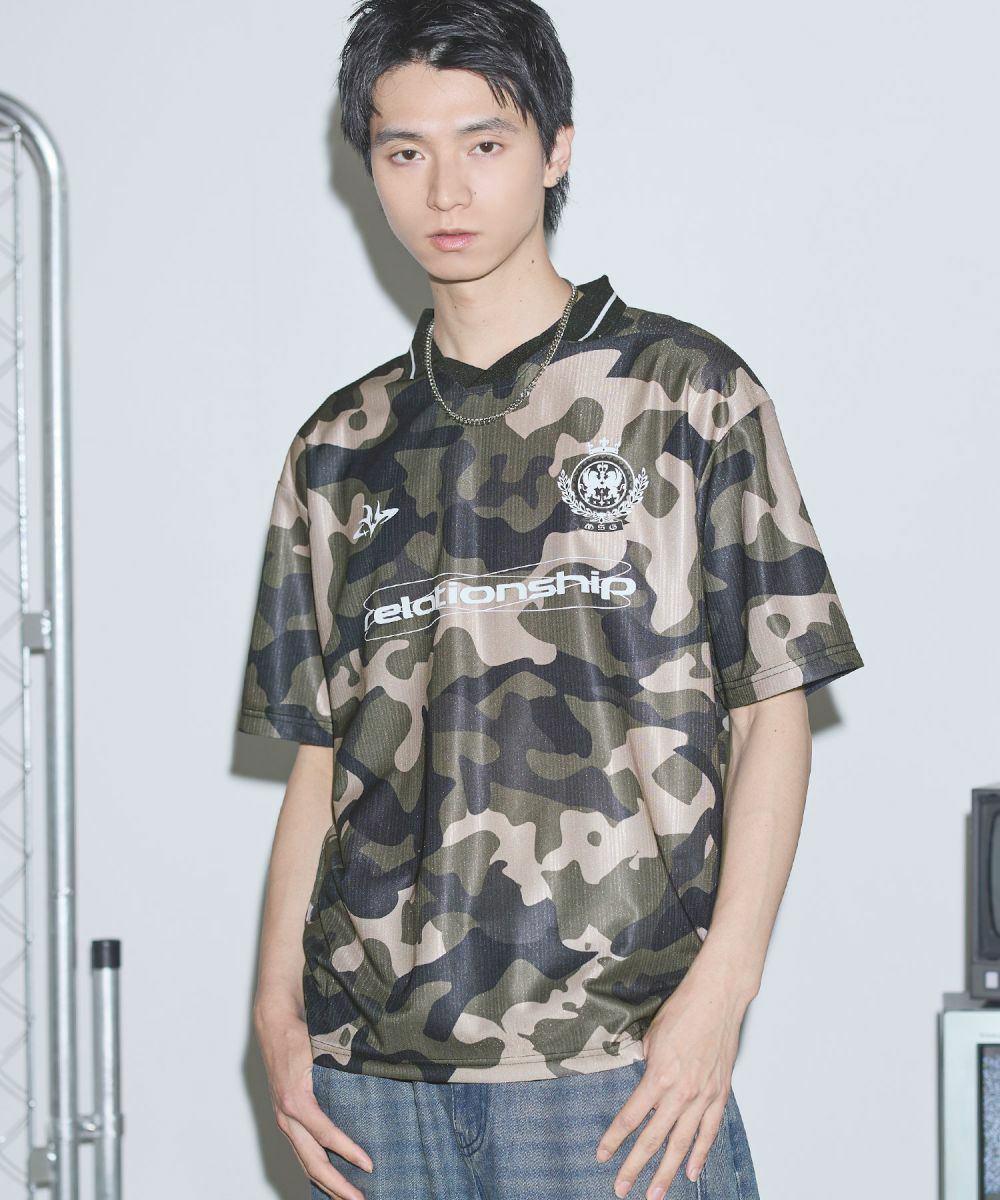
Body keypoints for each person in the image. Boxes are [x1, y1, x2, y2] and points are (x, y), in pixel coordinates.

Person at [237, 2, 864, 1198]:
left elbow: (771, 710)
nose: (445, 189)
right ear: (368, 163)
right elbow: (320, 755)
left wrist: (720, 994)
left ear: (555, 148)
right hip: (370, 1072)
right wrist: (274, 1013)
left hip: (615, 1061)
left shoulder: (689, 394)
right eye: (404, 151)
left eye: (485, 143)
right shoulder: (337, 448)